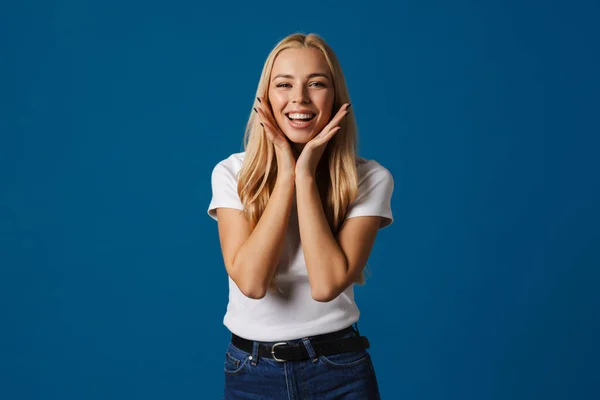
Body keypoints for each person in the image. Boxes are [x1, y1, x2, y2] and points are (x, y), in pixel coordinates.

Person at [208, 32, 394, 399]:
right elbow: (251, 282)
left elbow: (326, 285)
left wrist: (305, 175)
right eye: (284, 84)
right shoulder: (231, 173)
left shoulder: (370, 178)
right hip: (252, 374)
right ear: (266, 98)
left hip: (339, 372)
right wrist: (285, 172)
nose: (299, 99)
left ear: (336, 97)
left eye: (317, 84)